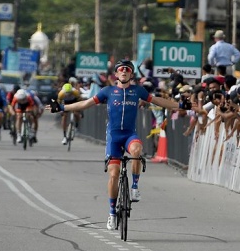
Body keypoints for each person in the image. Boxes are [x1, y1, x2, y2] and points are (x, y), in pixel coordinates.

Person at [48, 60, 191, 231]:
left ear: (131, 75)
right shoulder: (108, 91)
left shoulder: (137, 90)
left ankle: (135, 187)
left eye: (128, 70)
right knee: (114, 174)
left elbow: (159, 101)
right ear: (116, 74)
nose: (124, 72)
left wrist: (181, 105)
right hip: (114, 137)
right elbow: (85, 104)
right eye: (121, 70)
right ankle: (112, 213)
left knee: (137, 150)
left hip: (129, 134)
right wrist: (63, 107)